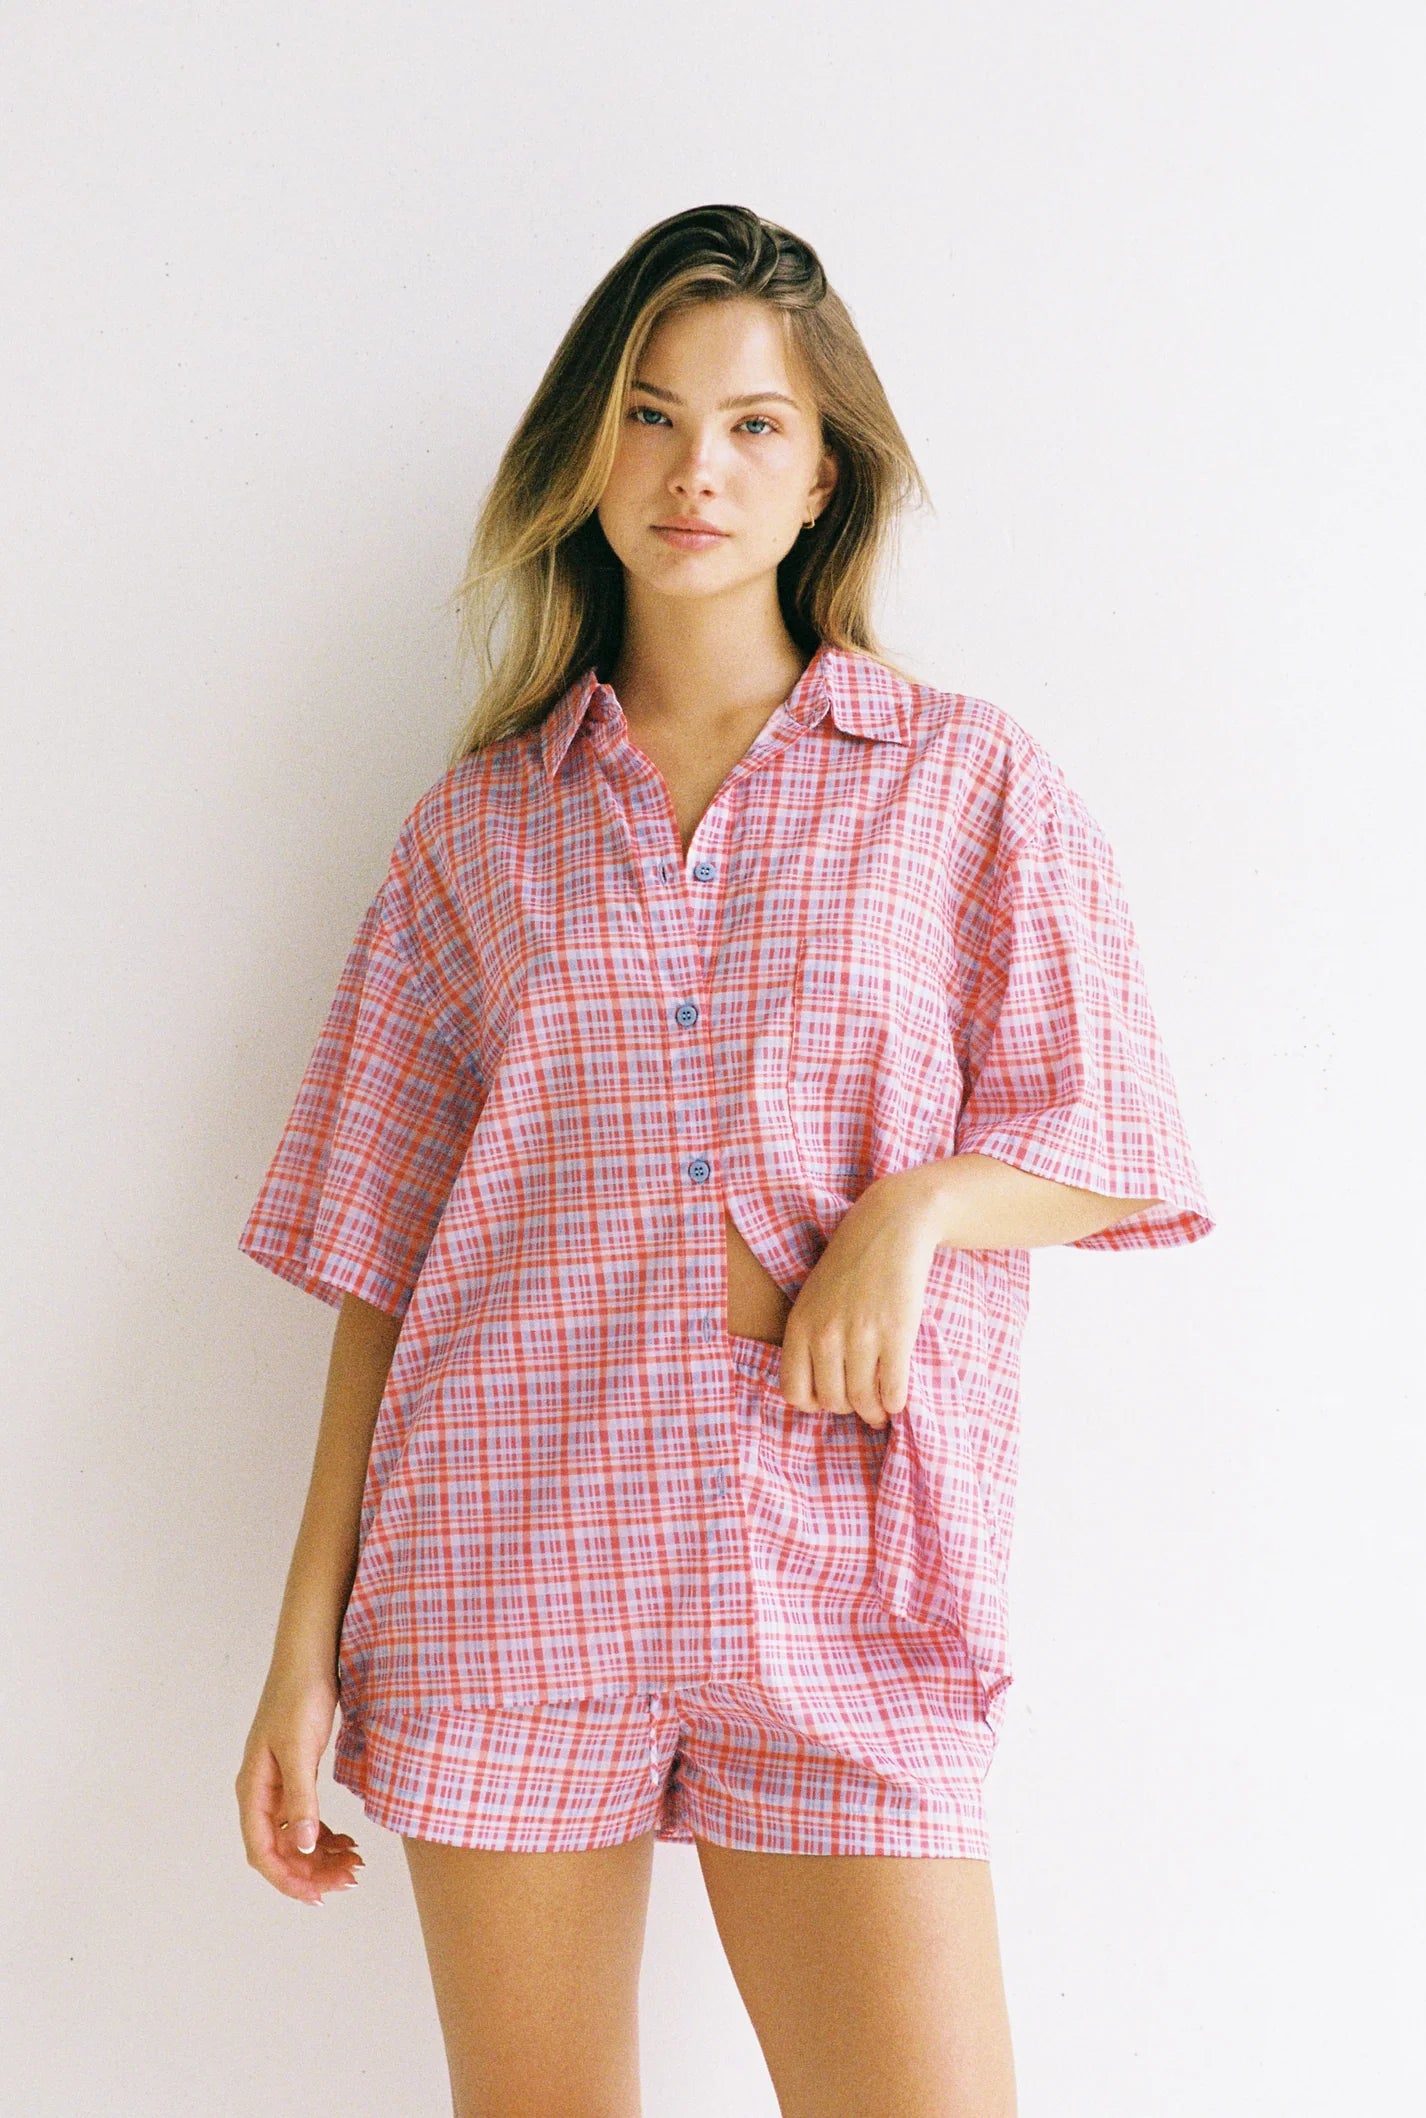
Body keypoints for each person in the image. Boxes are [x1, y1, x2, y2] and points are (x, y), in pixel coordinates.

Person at [234, 203, 1215, 2118]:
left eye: (755, 424)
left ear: (823, 462)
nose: (699, 471)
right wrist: (296, 1659)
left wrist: (915, 1215)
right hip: (505, 1572)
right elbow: (379, 1269)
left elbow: (1113, 1139)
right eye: (652, 414)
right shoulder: (476, 835)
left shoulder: (959, 780)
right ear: (585, 453)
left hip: (838, 1584)